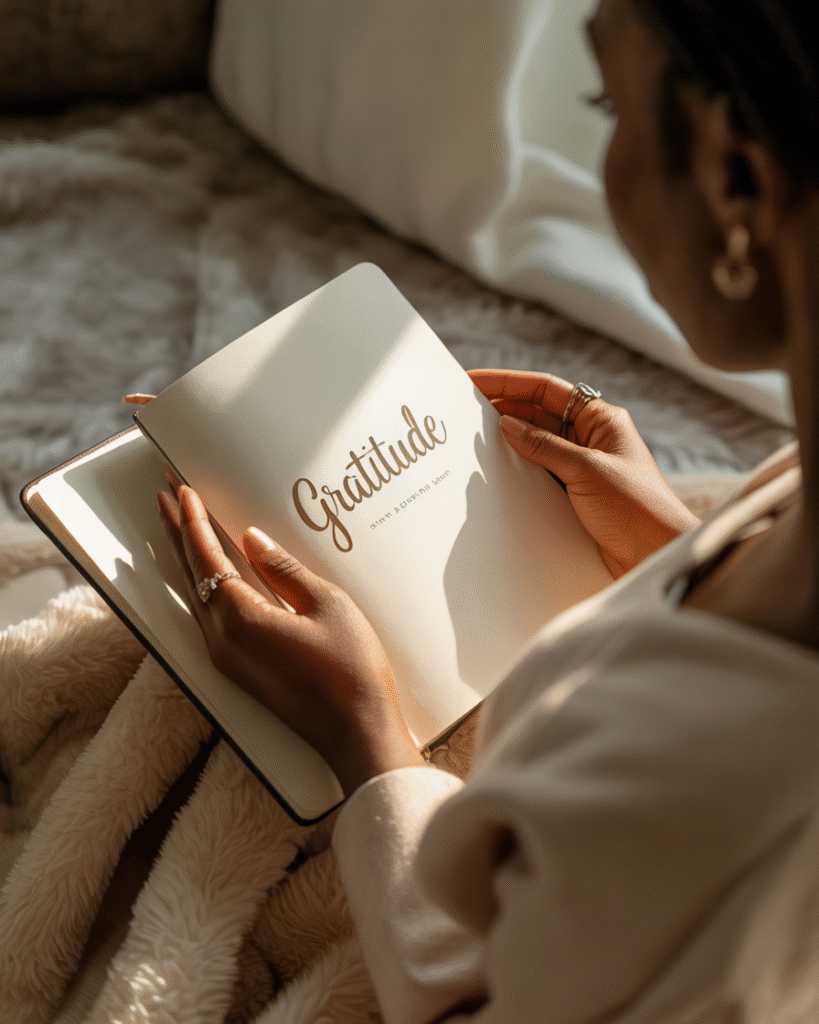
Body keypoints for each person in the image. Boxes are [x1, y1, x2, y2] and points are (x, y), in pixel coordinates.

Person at [149, 0, 819, 1019]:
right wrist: (681, 554)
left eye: (606, 103)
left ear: (735, 177)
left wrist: (363, 734)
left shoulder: (676, 793)